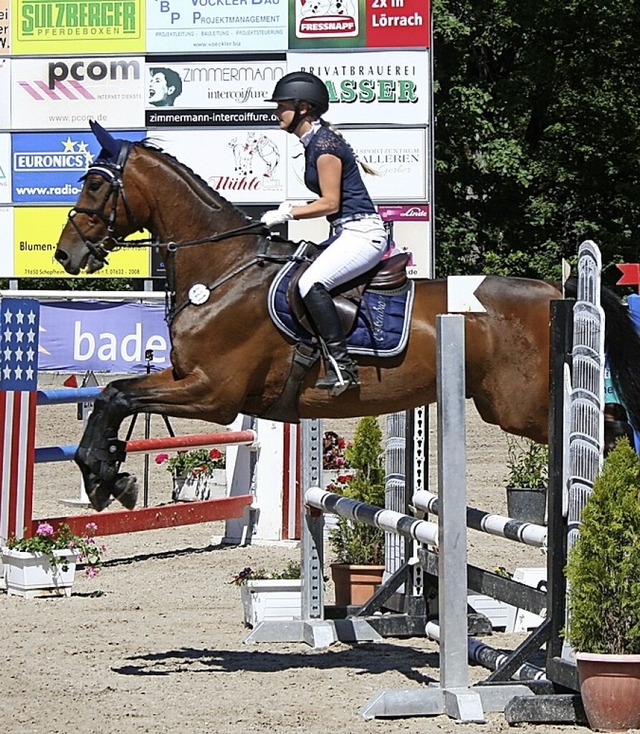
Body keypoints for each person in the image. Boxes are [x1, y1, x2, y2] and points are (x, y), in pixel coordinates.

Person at [261, 71, 387, 396]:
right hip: (346, 232)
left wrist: (289, 212)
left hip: (363, 233)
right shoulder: (313, 142)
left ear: (303, 107)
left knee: (309, 283)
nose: (277, 111)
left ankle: (343, 368)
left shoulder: (326, 144)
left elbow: (330, 202)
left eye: (282, 105)